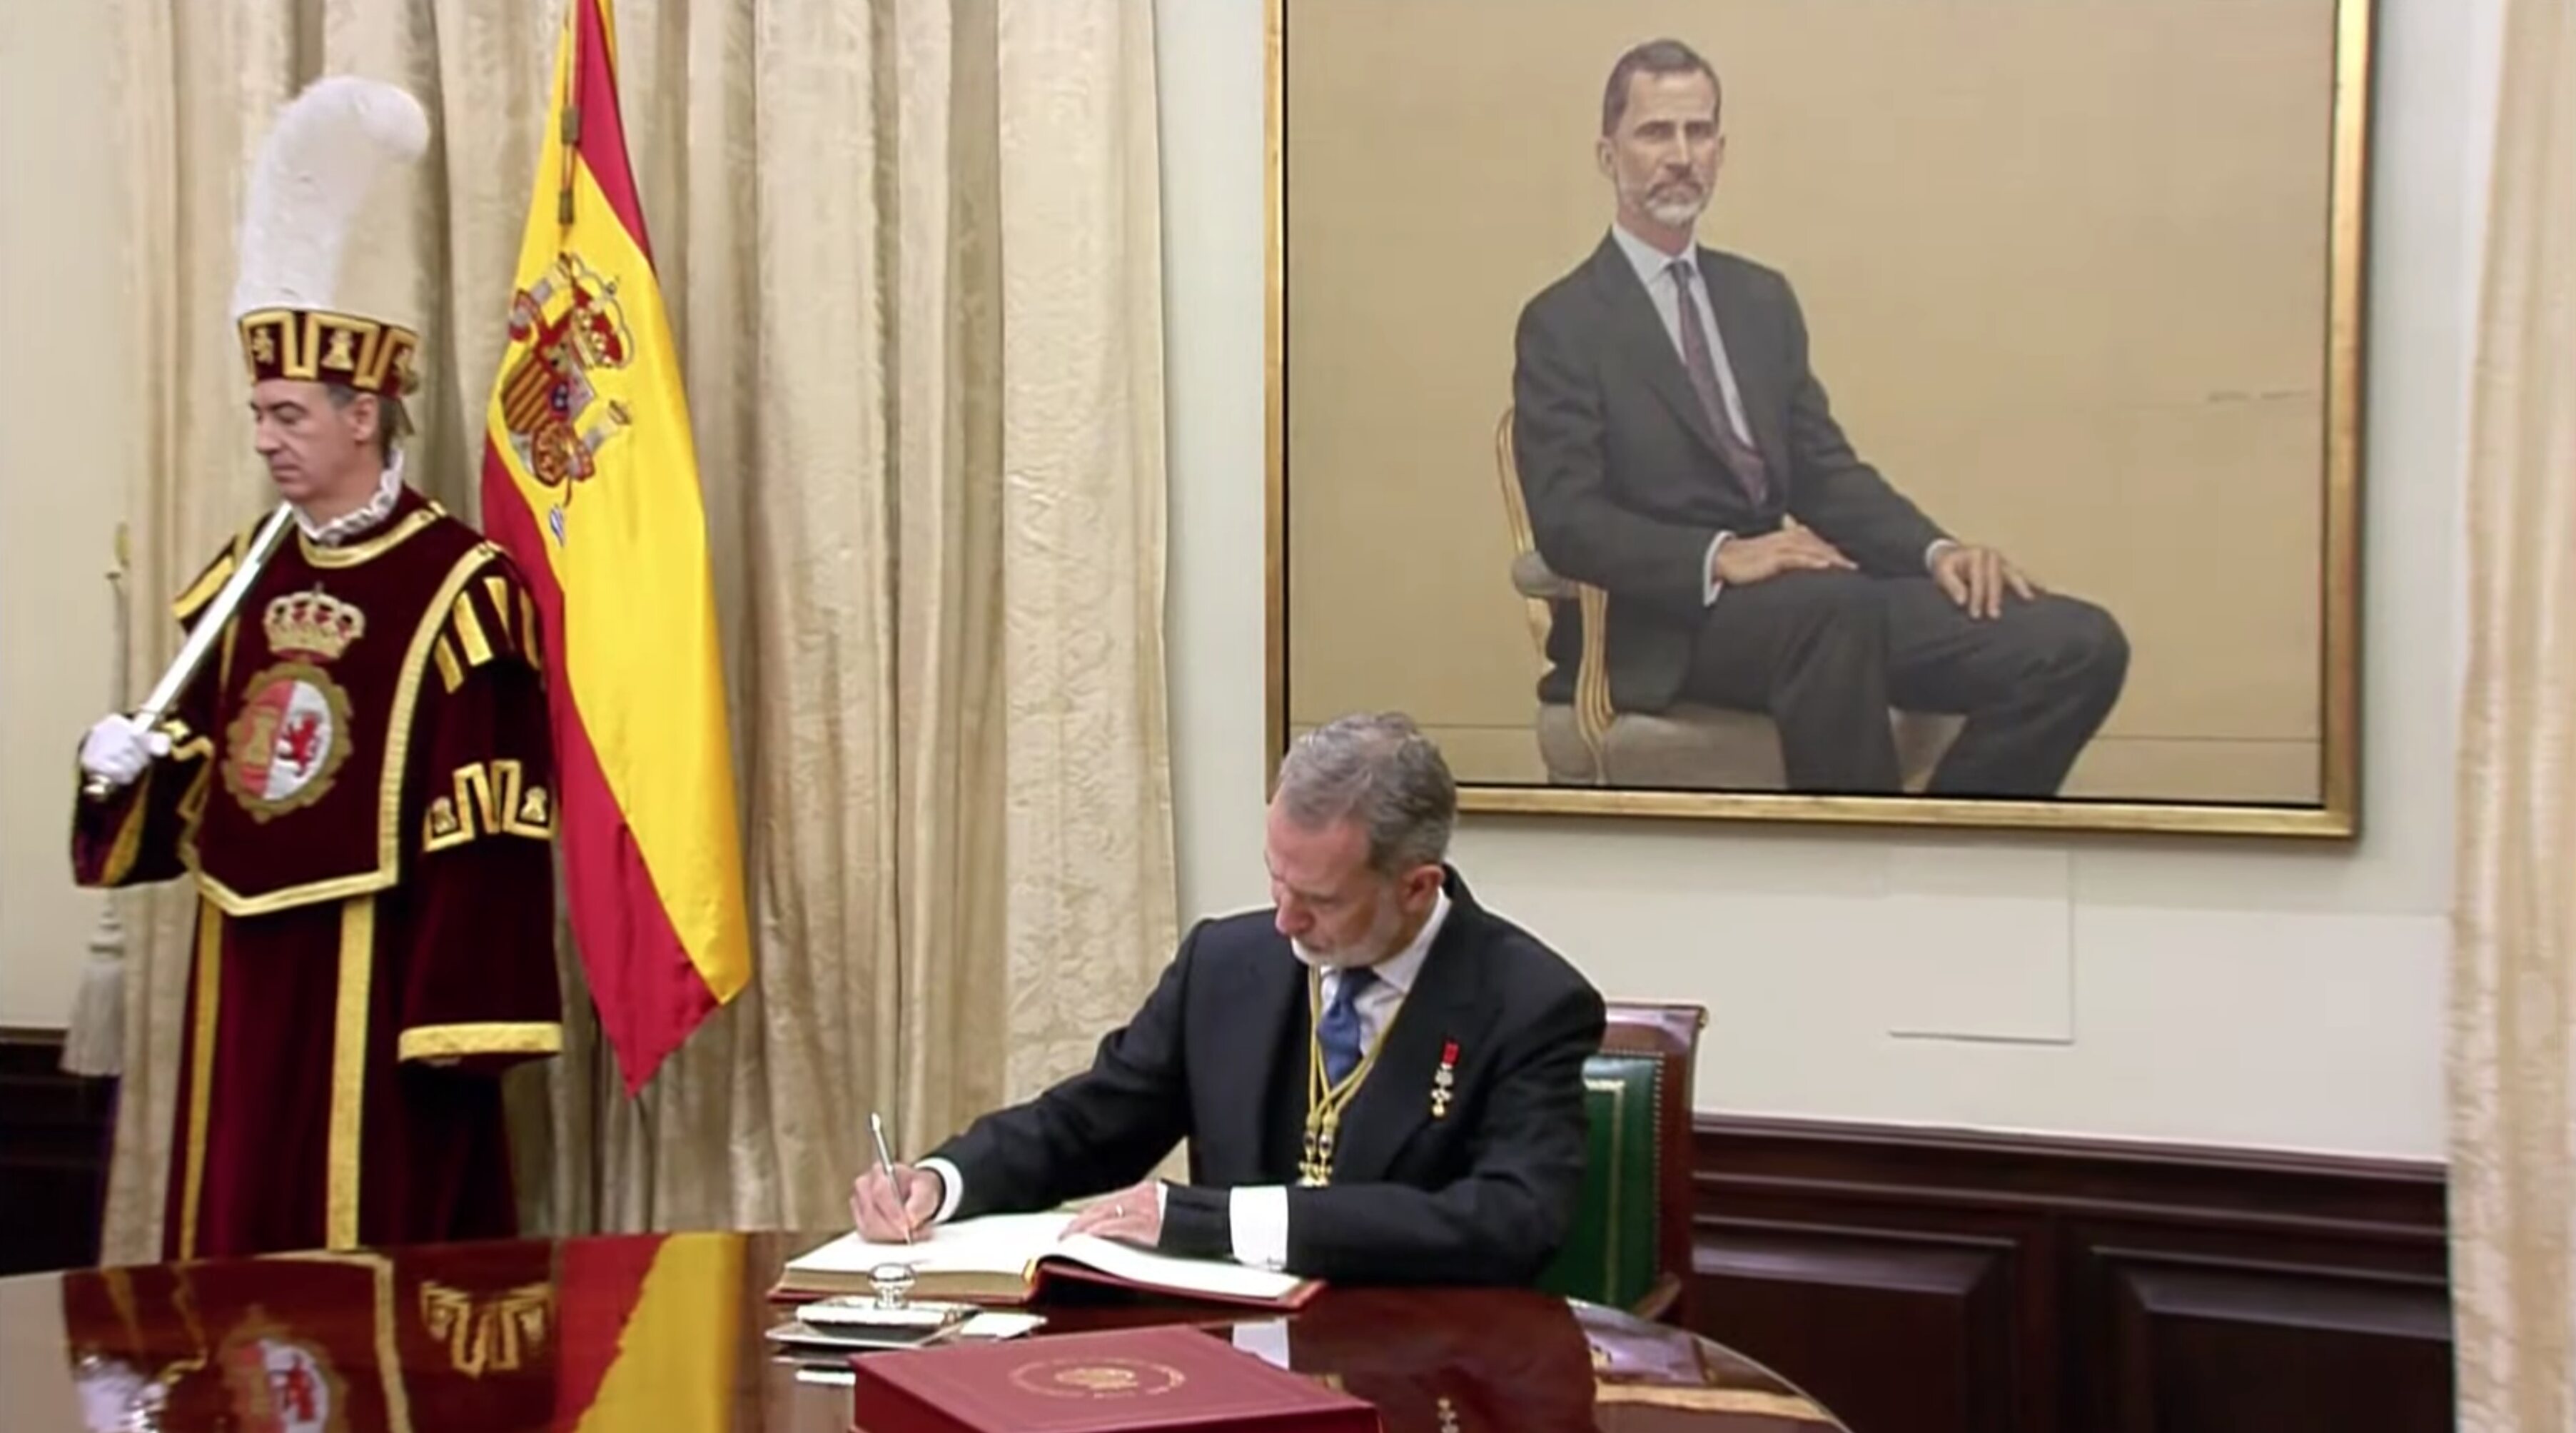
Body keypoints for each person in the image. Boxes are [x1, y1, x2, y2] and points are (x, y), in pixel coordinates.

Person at [68, 77, 562, 1259]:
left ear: (361, 415)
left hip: (374, 986)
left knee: (359, 1271)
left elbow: (488, 820)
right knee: (233, 1249)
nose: (265, 439)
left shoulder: (458, 586)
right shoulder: (242, 572)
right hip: (242, 972)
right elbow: (203, 775)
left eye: (289, 414)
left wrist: (449, 1025)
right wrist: (121, 770)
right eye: (259, 414)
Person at [1511, 38, 2129, 798]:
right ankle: (1866, 874)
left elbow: (1826, 474)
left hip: (1814, 605)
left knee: (2077, 644)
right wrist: (1720, 555)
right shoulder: (1564, 322)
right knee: (1830, 607)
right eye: (1655, 132)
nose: (1681, 155)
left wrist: (1937, 551)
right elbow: (1567, 520)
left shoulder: (1760, 301)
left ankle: (1945, 859)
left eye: (1699, 132)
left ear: (1721, 150)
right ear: (1609, 155)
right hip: (1669, 623)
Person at [850, 713, 1606, 1286]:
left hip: (1418, 1372)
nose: (1284, 920)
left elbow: (1512, 1218)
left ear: (1417, 887)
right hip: (1227, 1362)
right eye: (1276, 879)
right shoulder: (1226, 962)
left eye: (1319, 899)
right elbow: (1093, 1121)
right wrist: (946, 1180)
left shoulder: (1530, 1004)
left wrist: (1227, 1221)